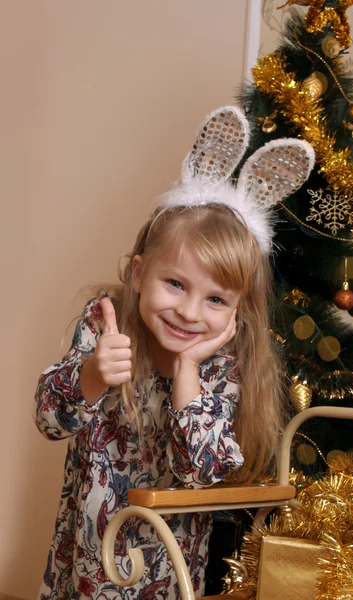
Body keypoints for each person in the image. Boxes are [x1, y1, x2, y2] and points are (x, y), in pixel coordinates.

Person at [35, 106, 314, 599]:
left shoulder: (225, 365)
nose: (189, 312)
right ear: (140, 273)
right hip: (89, 559)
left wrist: (188, 370)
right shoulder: (105, 325)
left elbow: (201, 472)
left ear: (237, 311)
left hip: (169, 569)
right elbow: (50, 419)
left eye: (214, 300)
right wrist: (93, 375)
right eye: (175, 283)